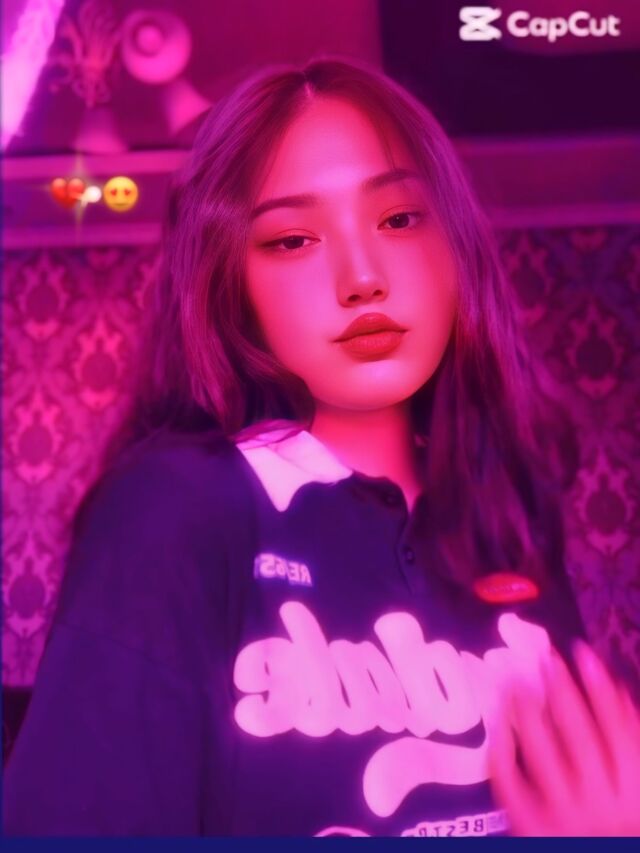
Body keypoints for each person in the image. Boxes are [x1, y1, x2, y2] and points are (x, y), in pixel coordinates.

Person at [3, 55, 639, 838]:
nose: (361, 278)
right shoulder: (173, 511)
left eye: (399, 220)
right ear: (228, 283)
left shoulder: (511, 509)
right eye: (293, 239)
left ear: (456, 247)